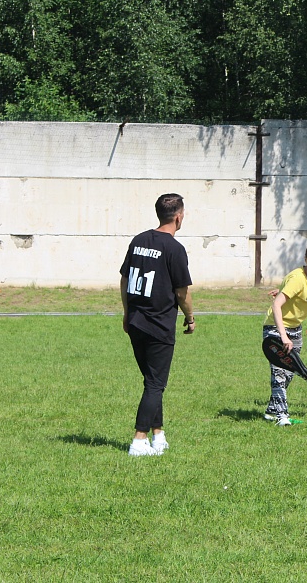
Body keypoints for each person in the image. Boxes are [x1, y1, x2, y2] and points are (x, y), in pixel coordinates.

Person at [120, 193, 195, 457]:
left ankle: (158, 435)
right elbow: (182, 293)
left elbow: (124, 279)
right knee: (155, 383)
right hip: (159, 325)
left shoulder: (139, 240)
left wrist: (126, 313)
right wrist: (190, 317)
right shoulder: (175, 249)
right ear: (178, 216)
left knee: (152, 380)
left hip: (136, 322)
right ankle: (139, 441)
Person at [263, 241, 307, 426]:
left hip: (296, 328)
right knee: (279, 372)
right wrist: (282, 336)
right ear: (306, 260)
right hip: (275, 327)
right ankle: (281, 416)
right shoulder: (297, 279)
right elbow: (276, 305)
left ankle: (271, 409)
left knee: (291, 371)